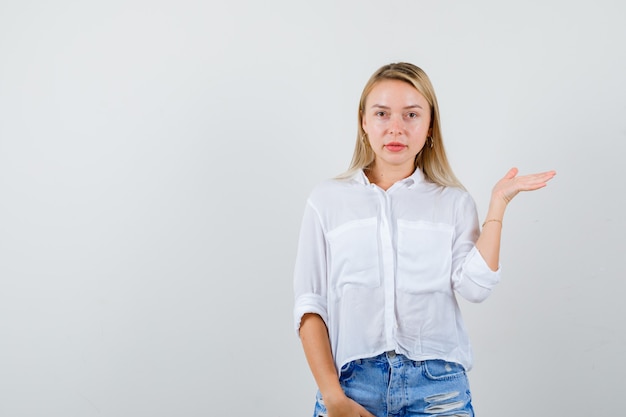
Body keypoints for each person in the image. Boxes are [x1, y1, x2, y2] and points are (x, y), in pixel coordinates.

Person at [293, 62, 556, 417]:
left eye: (412, 115)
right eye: (382, 114)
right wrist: (333, 396)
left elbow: (476, 287)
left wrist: (498, 204)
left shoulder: (453, 202)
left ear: (430, 124)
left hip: (438, 390)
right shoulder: (326, 200)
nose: (396, 128)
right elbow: (310, 305)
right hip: (351, 387)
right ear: (363, 122)